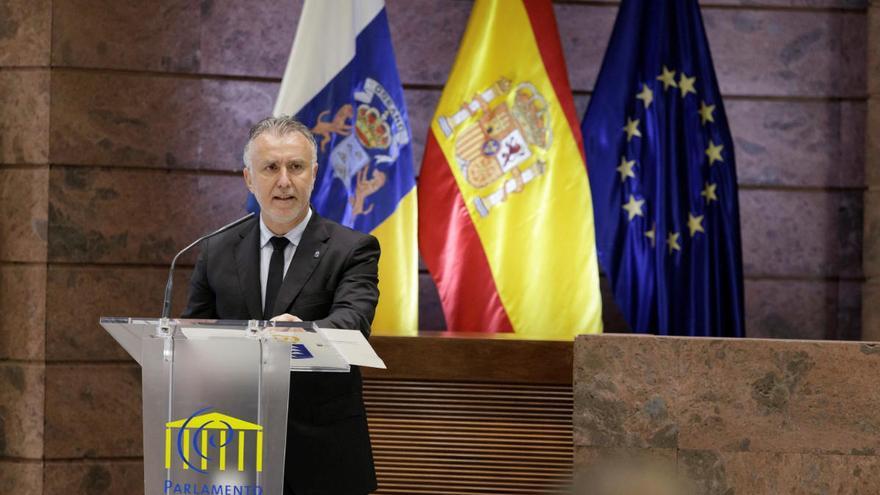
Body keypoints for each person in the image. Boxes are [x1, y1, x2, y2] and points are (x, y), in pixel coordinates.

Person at [182, 116, 379, 495]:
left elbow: (353, 320)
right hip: (231, 443)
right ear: (249, 178)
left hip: (321, 451)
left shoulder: (352, 249)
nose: (285, 180)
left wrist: (305, 333)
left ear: (315, 173)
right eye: (271, 167)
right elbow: (195, 332)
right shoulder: (216, 248)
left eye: (296, 167)